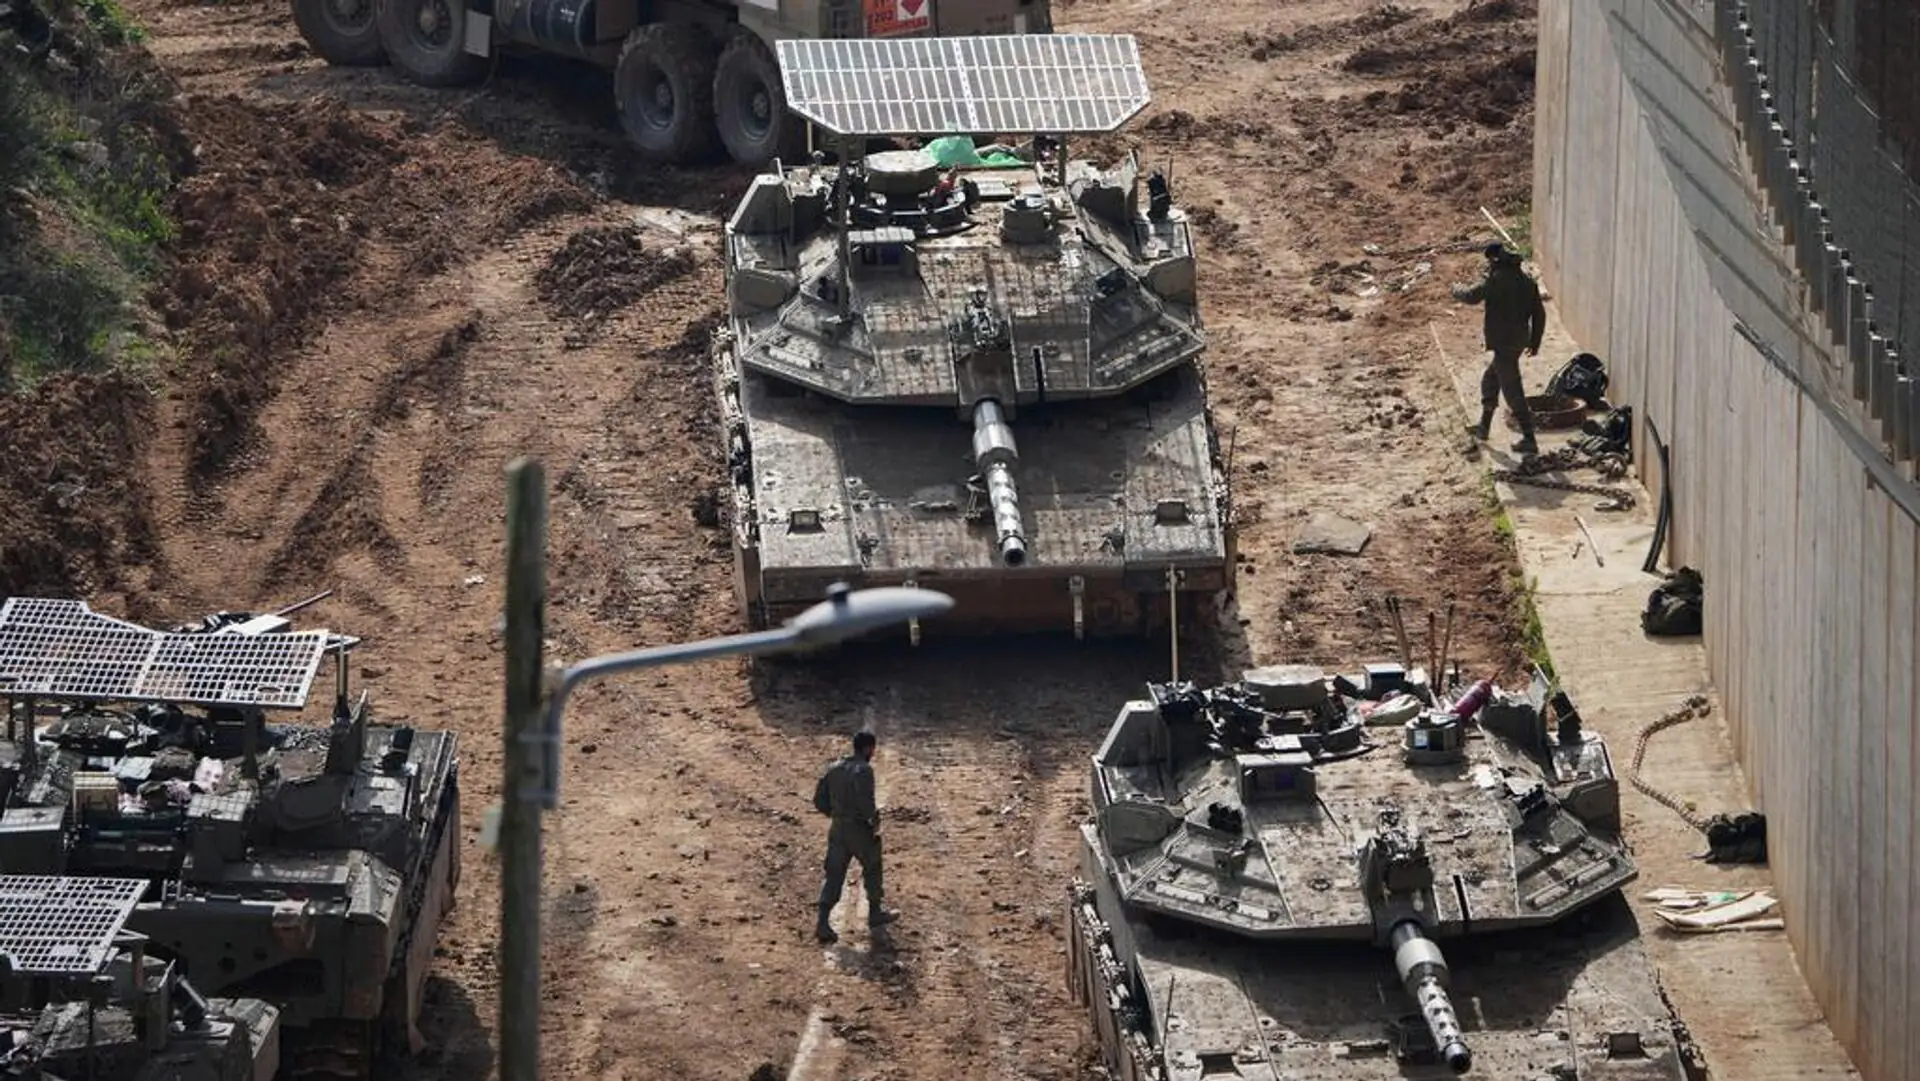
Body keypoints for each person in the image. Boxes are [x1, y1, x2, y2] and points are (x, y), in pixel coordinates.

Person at [1452, 242, 1548, 455]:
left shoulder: (1496, 279)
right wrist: (1535, 342)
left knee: (1513, 390)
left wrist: (1455, 289)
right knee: (1490, 380)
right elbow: (1539, 315)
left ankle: (1529, 439)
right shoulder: (1527, 281)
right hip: (1518, 341)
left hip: (1504, 343)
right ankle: (1484, 427)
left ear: (1495, 259)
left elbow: (1471, 296)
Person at [812, 730, 896, 943]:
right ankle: (875, 913)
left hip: (838, 828)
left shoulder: (834, 768)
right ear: (868, 748)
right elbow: (866, 805)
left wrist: (835, 814)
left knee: (833, 873)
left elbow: (819, 800)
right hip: (858, 829)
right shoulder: (864, 771)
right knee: (873, 866)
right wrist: (874, 823)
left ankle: (822, 923)